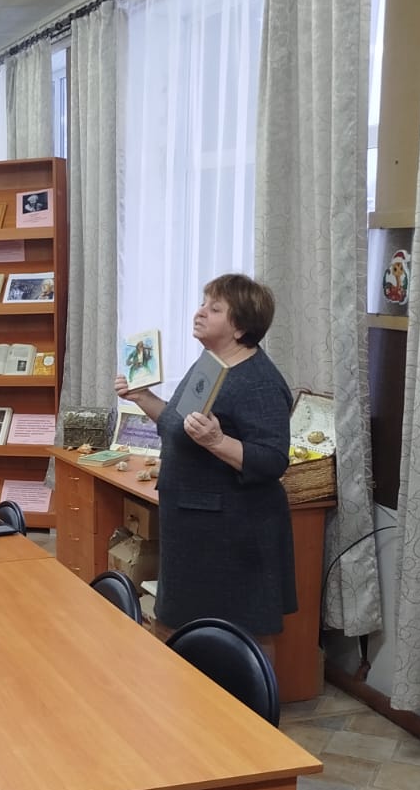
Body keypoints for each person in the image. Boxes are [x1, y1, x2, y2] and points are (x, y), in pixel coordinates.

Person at [114, 272, 296, 654]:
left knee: (241, 637)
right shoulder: (211, 364)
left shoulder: (259, 381)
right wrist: (142, 397)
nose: (199, 313)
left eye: (214, 309)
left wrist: (218, 442)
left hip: (235, 534)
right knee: (179, 627)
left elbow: (272, 460)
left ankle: (247, 696)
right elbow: (178, 425)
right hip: (193, 527)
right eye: (202, 304)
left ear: (241, 327)